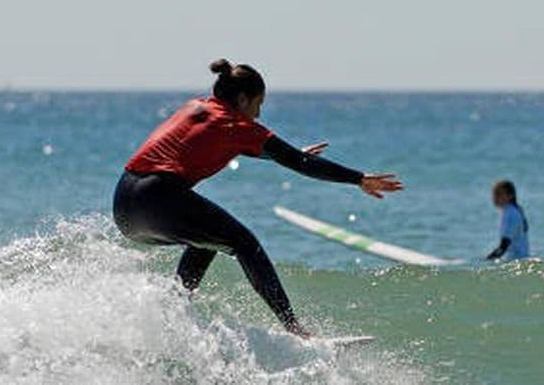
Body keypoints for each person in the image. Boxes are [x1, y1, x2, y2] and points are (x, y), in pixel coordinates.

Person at [112, 59, 403, 338]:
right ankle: (295, 329)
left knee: (209, 240)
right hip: (158, 197)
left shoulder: (196, 106)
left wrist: (287, 154)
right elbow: (297, 162)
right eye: (258, 104)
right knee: (244, 243)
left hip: (125, 204)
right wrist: (358, 178)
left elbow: (226, 141)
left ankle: (174, 312)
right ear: (242, 100)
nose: (259, 114)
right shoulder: (236, 125)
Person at [486, 180, 529, 261]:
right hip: (519, 259)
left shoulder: (511, 213)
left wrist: (486, 261)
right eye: (494, 194)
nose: (495, 198)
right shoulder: (513, 211)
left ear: (510, 196)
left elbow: (504, 246)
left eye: (499, 194)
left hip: (517, 261)